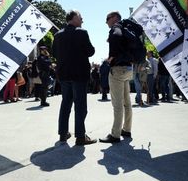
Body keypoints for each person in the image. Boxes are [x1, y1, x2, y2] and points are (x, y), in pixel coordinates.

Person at [52, 10, 97, 146]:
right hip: (79, 75)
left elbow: (54, 53)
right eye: (80, 17)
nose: (82, 20)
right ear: (73, 18)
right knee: (80, 105)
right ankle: (80, 137)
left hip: (64, 75)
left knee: (66, 104)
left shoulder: (57, 35)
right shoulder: (81, 32)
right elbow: (91, 51)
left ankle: (63, 133)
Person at [99, 11, 133, 144]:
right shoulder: (126, 28)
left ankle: (115, 134)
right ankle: (127, 129)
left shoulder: (116, 28)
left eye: (107, 19)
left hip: (118, 69)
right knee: (127, 102)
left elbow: (116, 36)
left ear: (114, 18)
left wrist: (110, 58)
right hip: (128, 68)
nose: (106, 22)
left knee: (117, 104)